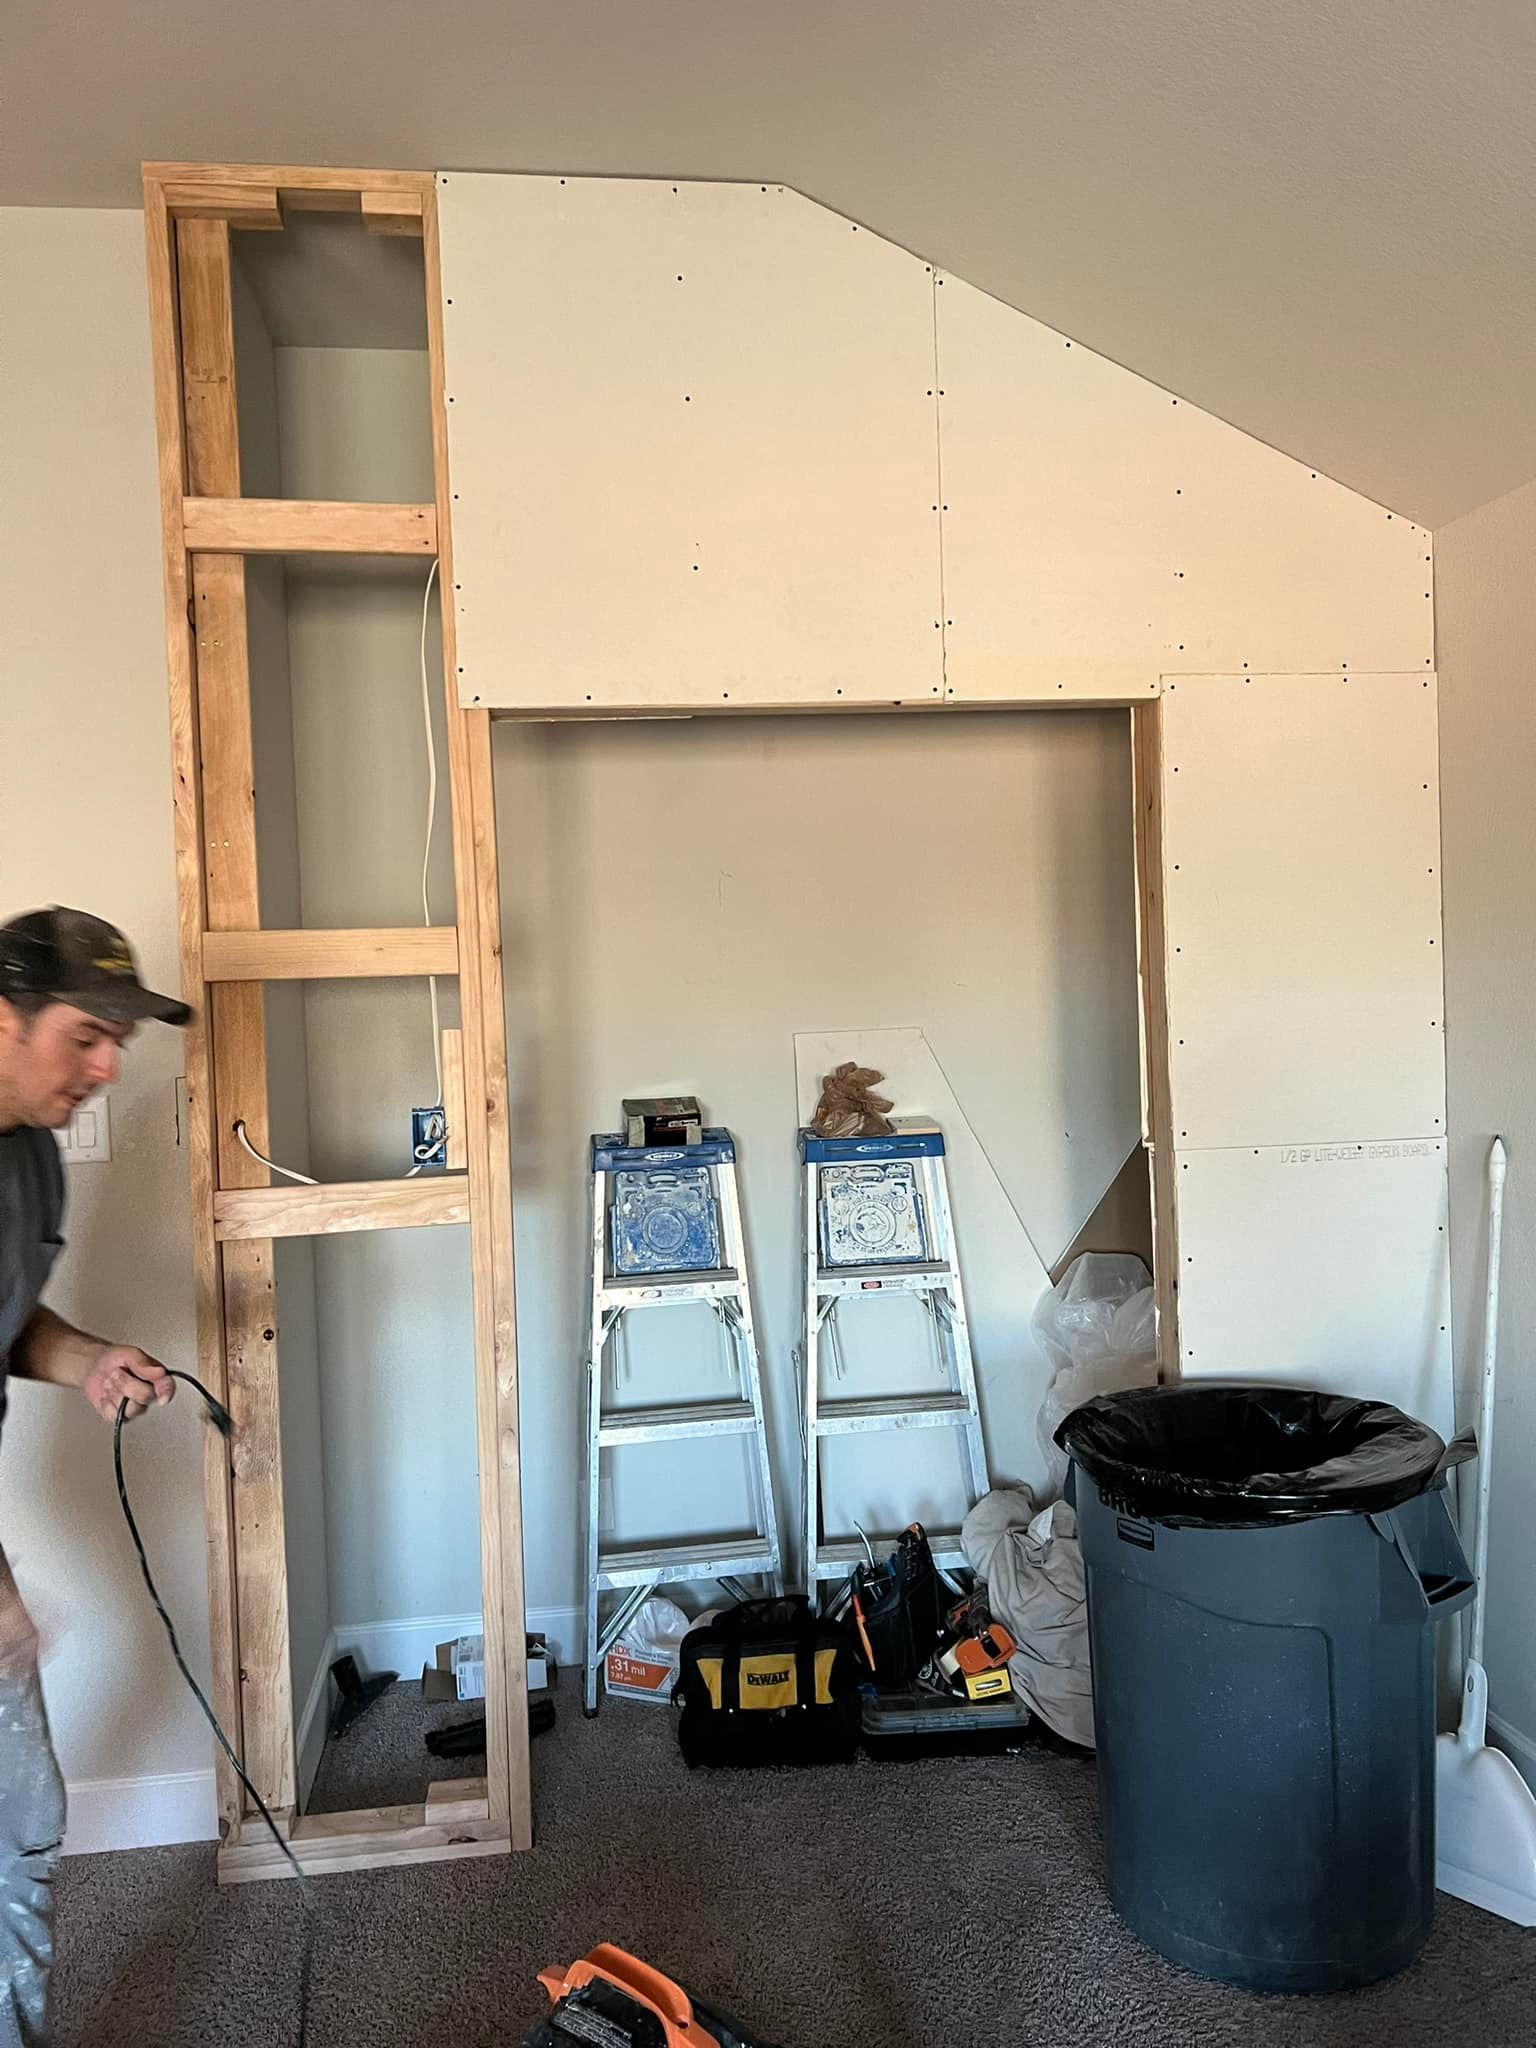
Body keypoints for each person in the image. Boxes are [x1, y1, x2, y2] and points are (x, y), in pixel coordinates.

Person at [0, 907, 190, 2045]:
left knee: (22, 1819)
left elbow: (9, 1318)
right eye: (85, 1033)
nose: (109, 1064)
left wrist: (83, 1359)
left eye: (121, 1035)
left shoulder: (29, 1151)